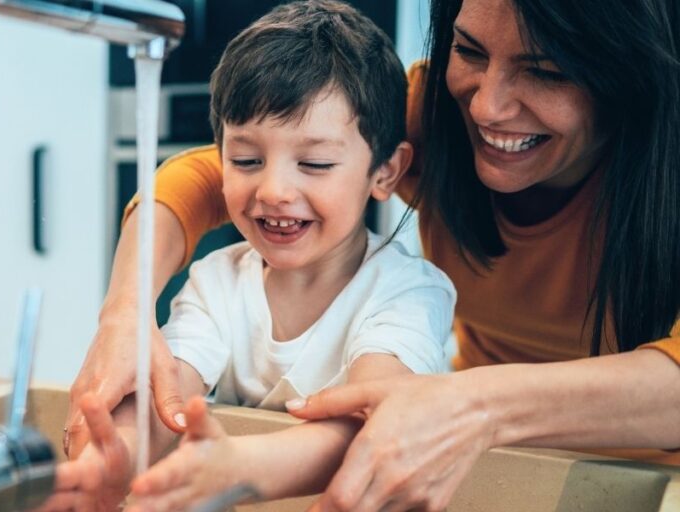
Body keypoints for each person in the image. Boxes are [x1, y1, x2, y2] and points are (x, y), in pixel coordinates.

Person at [67, 0, 680, 510]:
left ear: (630, 73)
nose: (487, 107)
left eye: (545, 69)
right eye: (468, 51)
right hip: (477, 460)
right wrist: (124, 311)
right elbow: (208, 174)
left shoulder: (406, 290)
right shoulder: (436, 114)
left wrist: (473, 404)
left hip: (649, 480)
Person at [40, 2, 455, 510]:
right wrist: (112, 458)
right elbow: (166, 396)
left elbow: (377, 418)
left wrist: (238, 468)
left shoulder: (410, 291)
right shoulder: (216, 282)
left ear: (385, 173)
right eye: (246, 160)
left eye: (315, 163)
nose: (275, 189)